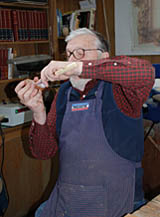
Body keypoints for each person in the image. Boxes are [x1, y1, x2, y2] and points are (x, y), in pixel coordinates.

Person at [15, 28, 155, 217]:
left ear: (104, 57)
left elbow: (145, 73)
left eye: (81, 52)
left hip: (115, 201)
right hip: (68, 201)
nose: (72, 59)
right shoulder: (63, 94)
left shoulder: (120, 90)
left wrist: (78, 68)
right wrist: (39, 112)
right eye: (69, 54)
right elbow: (43, 151)